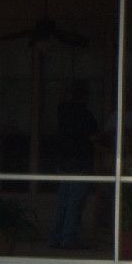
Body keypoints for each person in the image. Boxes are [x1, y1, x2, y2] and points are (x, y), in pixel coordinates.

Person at [48, 79, 98, 249]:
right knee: (74, 202)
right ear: (85, 97)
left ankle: (56, 237)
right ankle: (68, 239)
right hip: (80, 162)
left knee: (63, 200)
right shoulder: (85, 114)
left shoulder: (62, 111)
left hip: (63, 161)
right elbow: (94, 136)